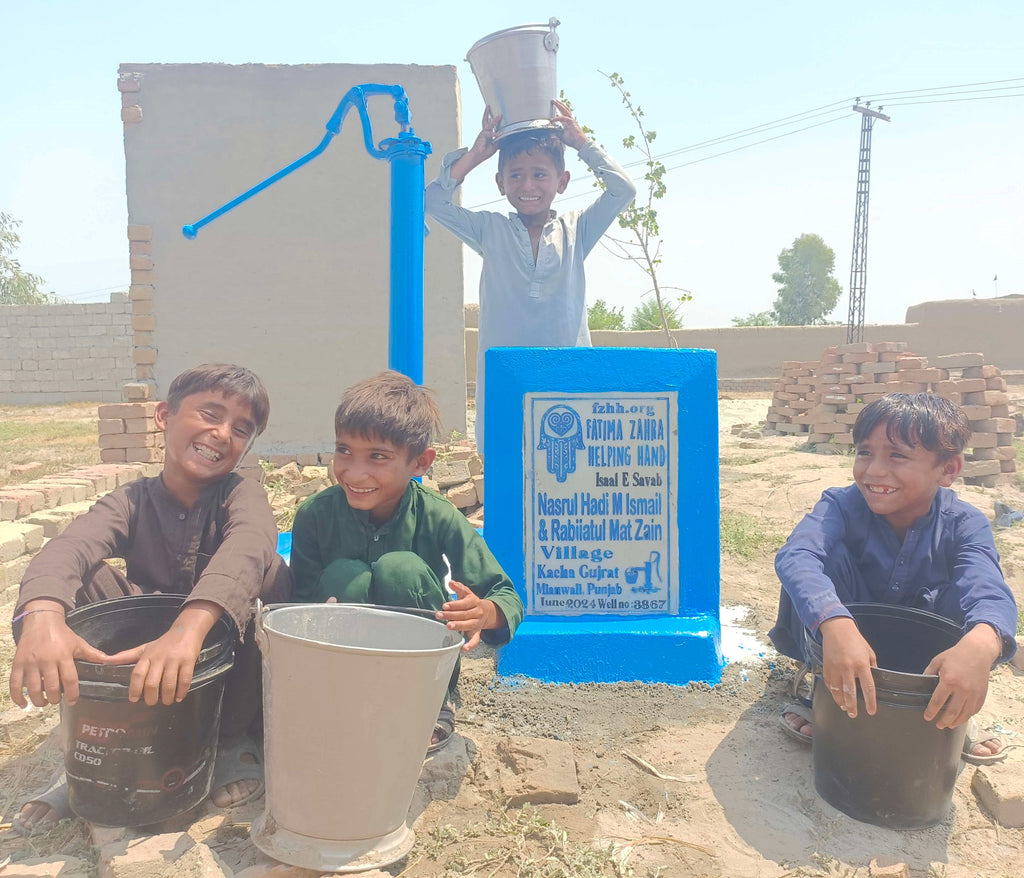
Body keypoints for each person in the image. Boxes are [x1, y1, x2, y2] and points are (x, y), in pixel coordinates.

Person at [9, 363, 291, 833]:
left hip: (221, 668)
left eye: (241, 429)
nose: (222, 434)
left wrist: (188, 630)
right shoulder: (130, 501)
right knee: (73, 581)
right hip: (144, 660)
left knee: (267, 574)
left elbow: (250, 543)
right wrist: (41, 616)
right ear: (164, 415)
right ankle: (93, 750)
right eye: (209, 414)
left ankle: (229, 742)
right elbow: (68, 547)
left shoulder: (242, 495)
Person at [770, 392, 1018, 764]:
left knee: (976, 611)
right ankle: (820, 692)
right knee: (813, 568)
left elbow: (988, 590)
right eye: (864, 452)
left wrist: (982, 644)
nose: (873, 471)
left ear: (948, 469)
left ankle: (953, 708)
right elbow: (797, 555)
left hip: (923, 657)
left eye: (897, 455)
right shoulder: (840, 504)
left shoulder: (965, 524)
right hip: (845, 642)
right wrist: (835, 623)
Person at [289, 370, 524, 750]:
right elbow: (295, 603)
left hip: (417, 670)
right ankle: (344, 704)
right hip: (340, 666)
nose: (354, 471)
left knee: (403, 569)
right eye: (344, 450)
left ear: (420, 462)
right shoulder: (315, 517)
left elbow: (506, 596)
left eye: (378, 457)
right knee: (345, 576)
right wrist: (314, 617)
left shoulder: (438, 515)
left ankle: (432, 704)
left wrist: (482, 612)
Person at [425, 99, 637, 453]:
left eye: (540, 174)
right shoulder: (488, 229)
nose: (528, 185)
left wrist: (582, 144)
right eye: (516, 175)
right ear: (500, 183)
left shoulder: (577, 229)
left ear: (562, 181)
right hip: (506, 377)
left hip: (568, 376)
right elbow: (433, 202)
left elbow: (623, 190)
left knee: (568, 466)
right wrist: (476, 155)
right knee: (506, 465)